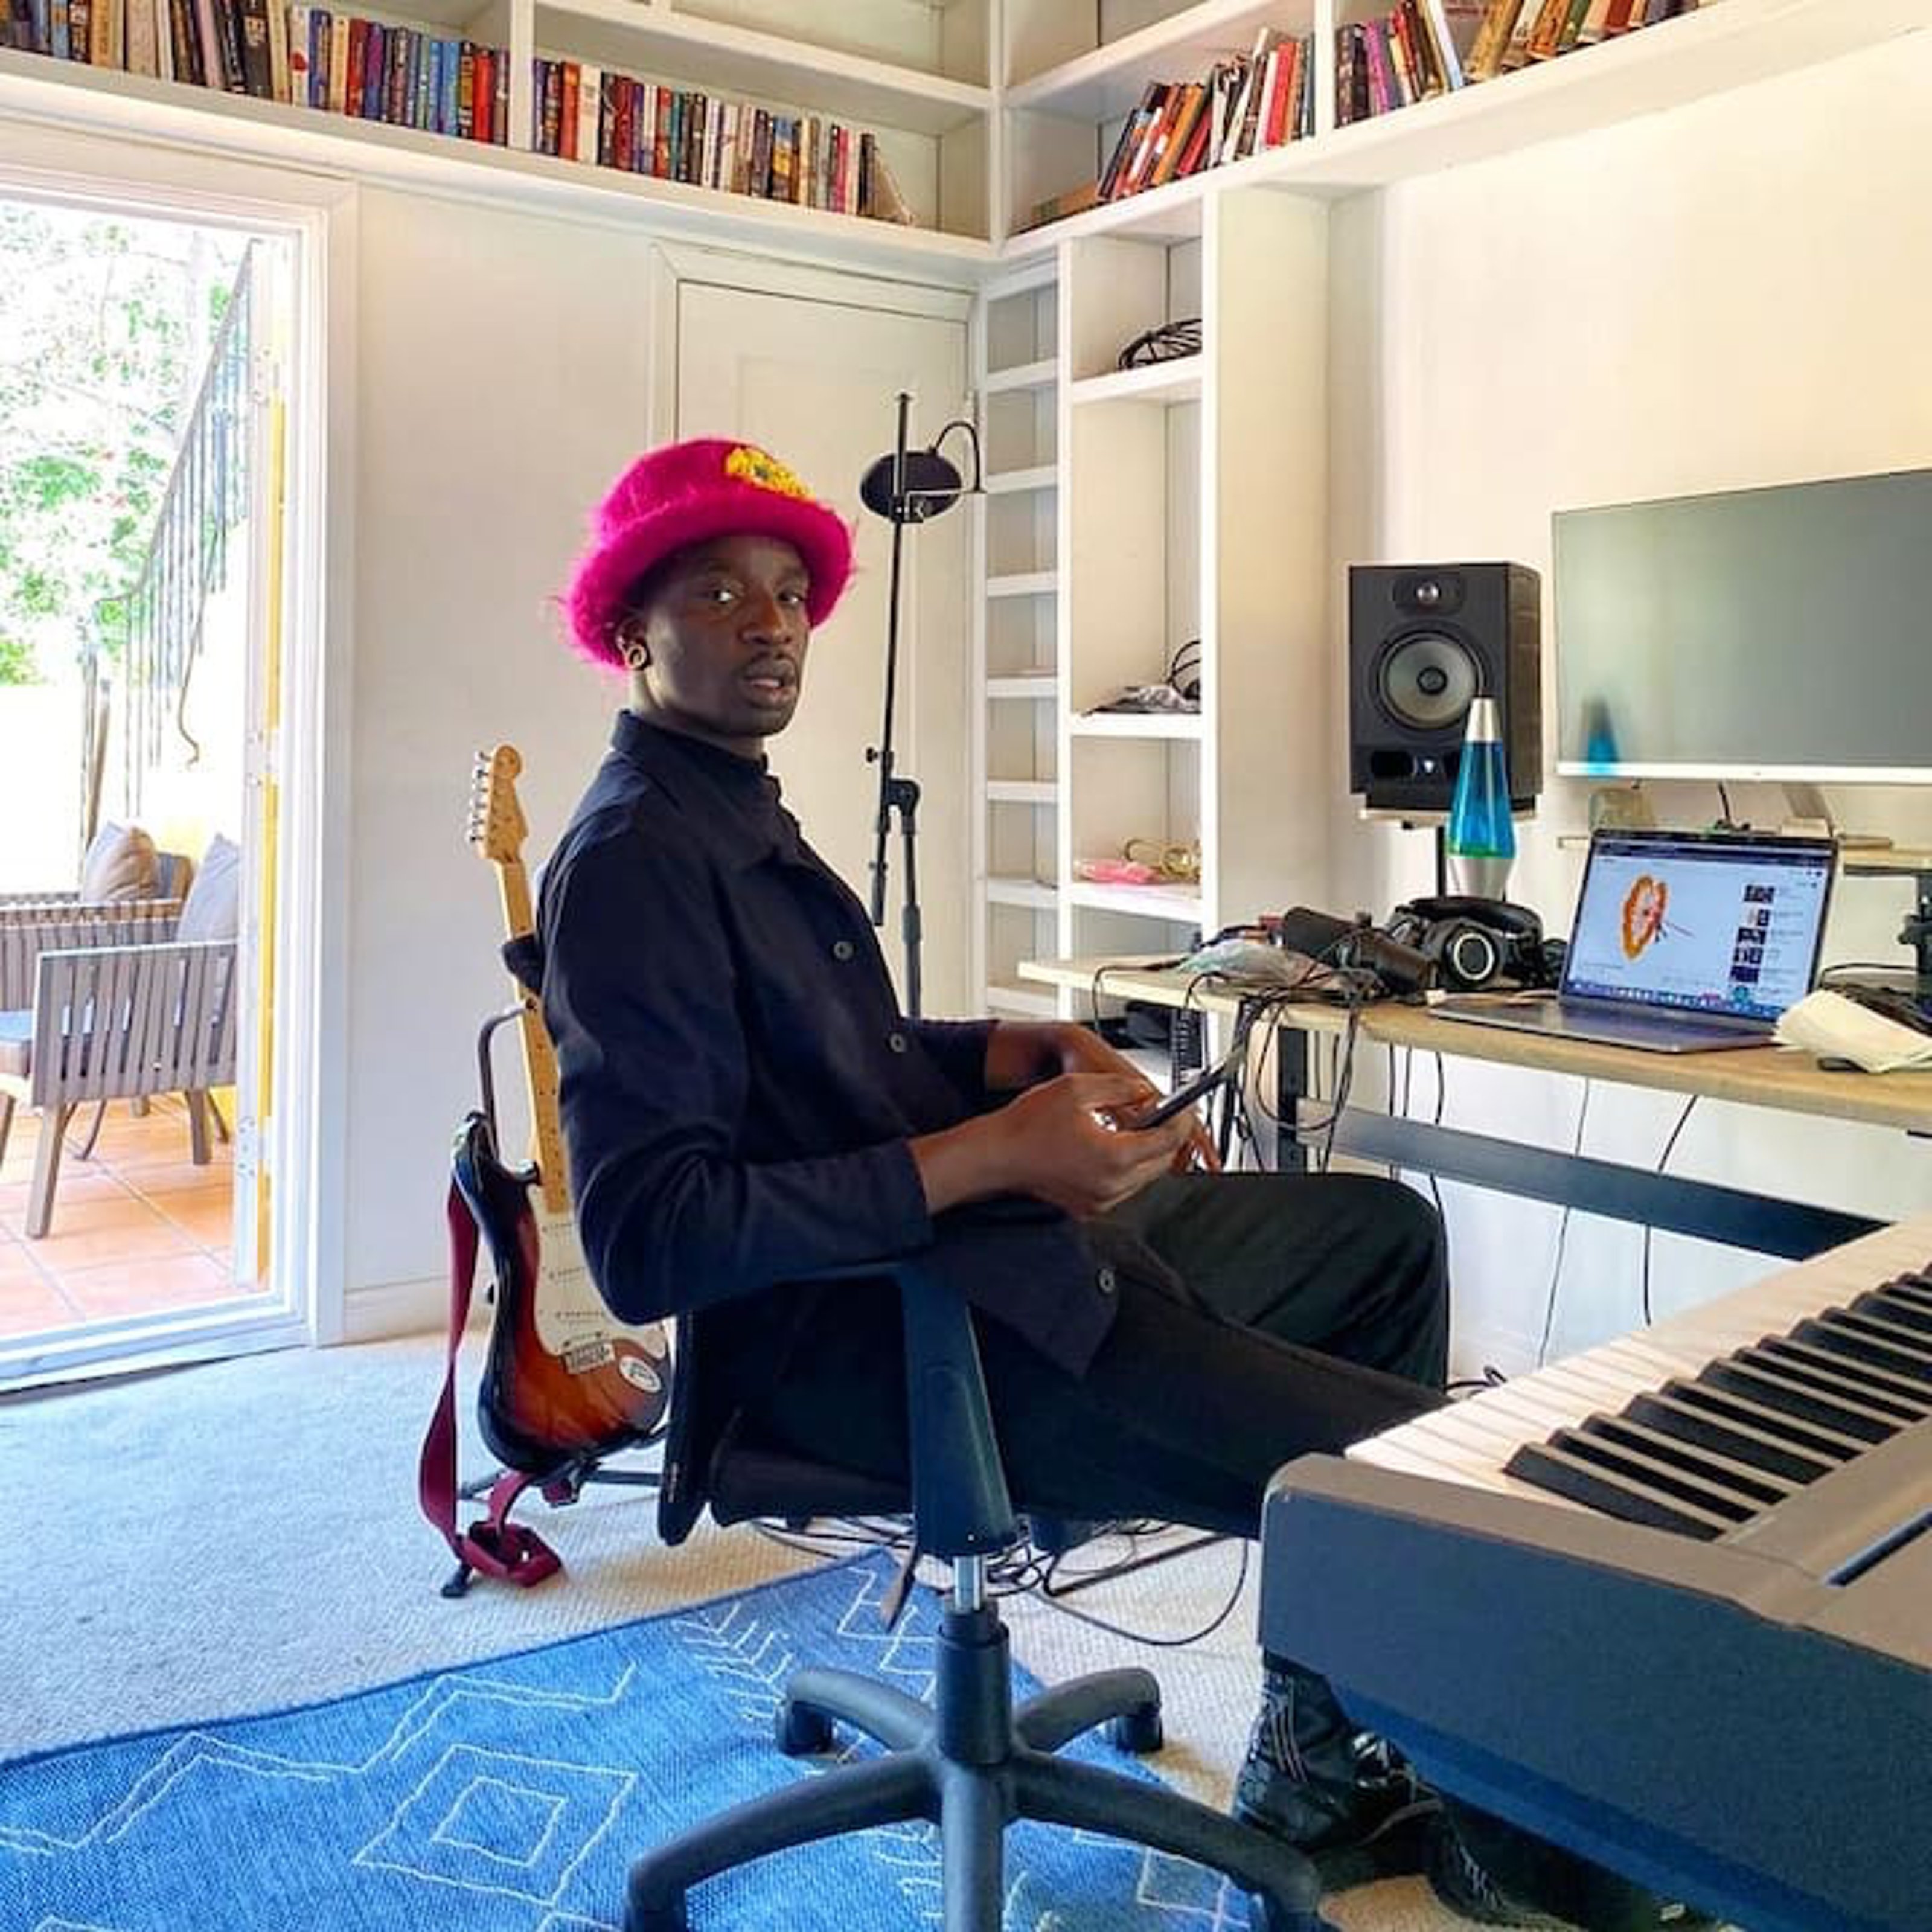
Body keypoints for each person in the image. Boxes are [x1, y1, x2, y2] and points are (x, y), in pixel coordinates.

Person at [529, 437, 1691, 1931]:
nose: (769, 625)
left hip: (999, 1261)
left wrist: (1015, 1050)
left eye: (787, 594)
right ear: (632, 629)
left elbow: (836, 1063)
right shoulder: (632, 857)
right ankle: (1538, 1856)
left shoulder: (731, 806)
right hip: (888, 1343)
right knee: (1435, 1478)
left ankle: (1314, 1760)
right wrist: (999, 1153)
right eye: (718, 592)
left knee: (1381, 1235)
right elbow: (650, 1236)